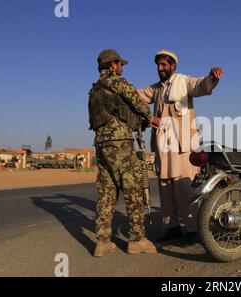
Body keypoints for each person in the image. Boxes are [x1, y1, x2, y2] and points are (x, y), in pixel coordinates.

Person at [137, 50, 223, 246]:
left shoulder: (184, 82)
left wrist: (212, 77)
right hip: (162, 147)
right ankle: (172, 228)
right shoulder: (156, 89)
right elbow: (137, 95)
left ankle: (192, 231)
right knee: (165, 188)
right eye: (158, 65)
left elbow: (201, 85)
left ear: (172, 67)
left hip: (183, 147)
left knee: (184, 189)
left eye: (164, 65)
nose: (160, 68)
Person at [88, 49, 157, 257]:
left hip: (101, 143)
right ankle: (137, 239)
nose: (122, 67)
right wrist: (150, 117)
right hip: (120, 141)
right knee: (133, 187)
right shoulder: (117, 82)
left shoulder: (94, 90)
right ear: (112, 66)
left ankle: (102, 242)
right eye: (120, 64)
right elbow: (136, 100)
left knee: (107, 192)